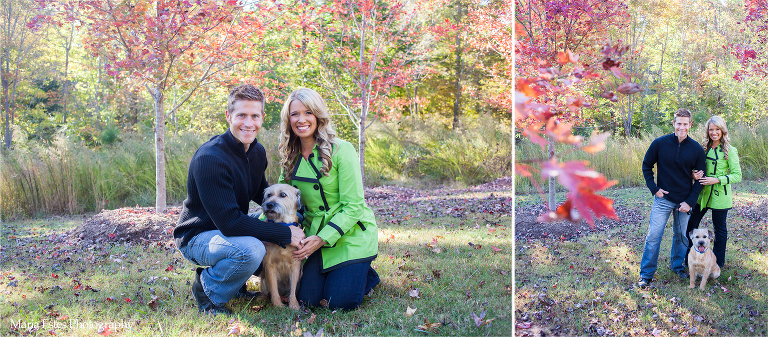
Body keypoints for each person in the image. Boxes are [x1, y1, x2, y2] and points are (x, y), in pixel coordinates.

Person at [173, 84, 306, 315]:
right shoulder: (210, 158)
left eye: (254, 115)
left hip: (228, 231)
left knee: (266, 230)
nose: (248, 123)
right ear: (228, 116)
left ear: (262, 117)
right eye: (241, 115)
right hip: (198, 236)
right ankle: (207, 290)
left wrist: (292, 219)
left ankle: (234, 285)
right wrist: (285, 234)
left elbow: (261, 193)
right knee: (253, 249)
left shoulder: (256, 152)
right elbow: (230, 223)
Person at [277, 88, 380, 310]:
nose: (301, 120)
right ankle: (345, 273)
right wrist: (259, 226)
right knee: (307, 300)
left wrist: (322, 238)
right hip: (314, 236)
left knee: (339, 302)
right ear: (288, 118)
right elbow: (280, 200)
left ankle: (365, 272)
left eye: (308, 113)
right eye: (295, 114)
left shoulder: (342, 150)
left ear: (318, 116)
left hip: (349, 234)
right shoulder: (289, 156)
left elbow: (354, 206)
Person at [638, 108, 706, 288]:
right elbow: (646, 166)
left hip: (684, 201)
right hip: (663, 199)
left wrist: (690, 202)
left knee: (682, 237)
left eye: (685, 124)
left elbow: (700, 179)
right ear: (673, 124)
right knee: (653, 236)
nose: (681, 127)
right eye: (679, 123)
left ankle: (677, 266)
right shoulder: (660, 144)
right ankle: (646, 274)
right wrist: (654, 188)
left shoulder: (697, 149)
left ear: (690, 125)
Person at [686, 116, 741, 269]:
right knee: (691, 225)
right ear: (707, 131)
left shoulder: (730, 150)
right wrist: (692, 174)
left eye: (717, 129)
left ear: (722, 130)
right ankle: (688, 258)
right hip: (701, 194)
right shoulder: (702, 148)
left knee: (719, 229)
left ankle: (717, 262)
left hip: (720, 195)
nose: (714, 132)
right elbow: (693, 167)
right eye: (711, 129)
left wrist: (716, 180)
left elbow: (737, 175)